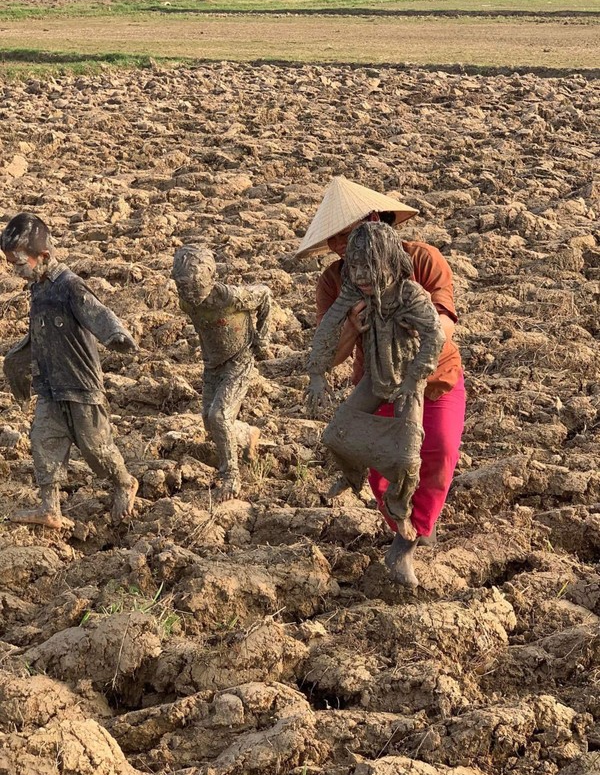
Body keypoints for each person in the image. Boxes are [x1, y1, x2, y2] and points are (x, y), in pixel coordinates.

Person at [296, 176, 466, 586]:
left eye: (345, 236)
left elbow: (442, 324)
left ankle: (410, 541)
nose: (340, 249)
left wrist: (415, 357)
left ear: (374, 221)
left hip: (431, 378)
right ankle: (404, 525)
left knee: (435, 454)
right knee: (377, 470)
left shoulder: (419, 263)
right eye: (334, 242)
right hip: (375, 377)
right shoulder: (338, 282)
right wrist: (352, 327)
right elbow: (328, 346)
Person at [1, 213, 139, 529]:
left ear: (44, 257)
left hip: (80, 385)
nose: (15, 270)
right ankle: (51, 509)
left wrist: (115, 334)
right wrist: (16, 360)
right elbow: (39, 332)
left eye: (19, 264)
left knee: (95, 446)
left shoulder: (70, 287)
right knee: (43, 440)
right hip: (50, 385)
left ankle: (124, 482)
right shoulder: (38, 288)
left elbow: (98, 312)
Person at [171, 245, 272, 502]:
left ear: (209, 280)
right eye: (182, 287)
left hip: (239, 361)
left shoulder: (231, 298)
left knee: (219, 415)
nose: (188, 294)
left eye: (194, 287)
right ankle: (247, 434)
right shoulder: (187, 303)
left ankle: (232, 476)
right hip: (213, 365)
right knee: (209, 420)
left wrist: (263, 338)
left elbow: (264, 295)